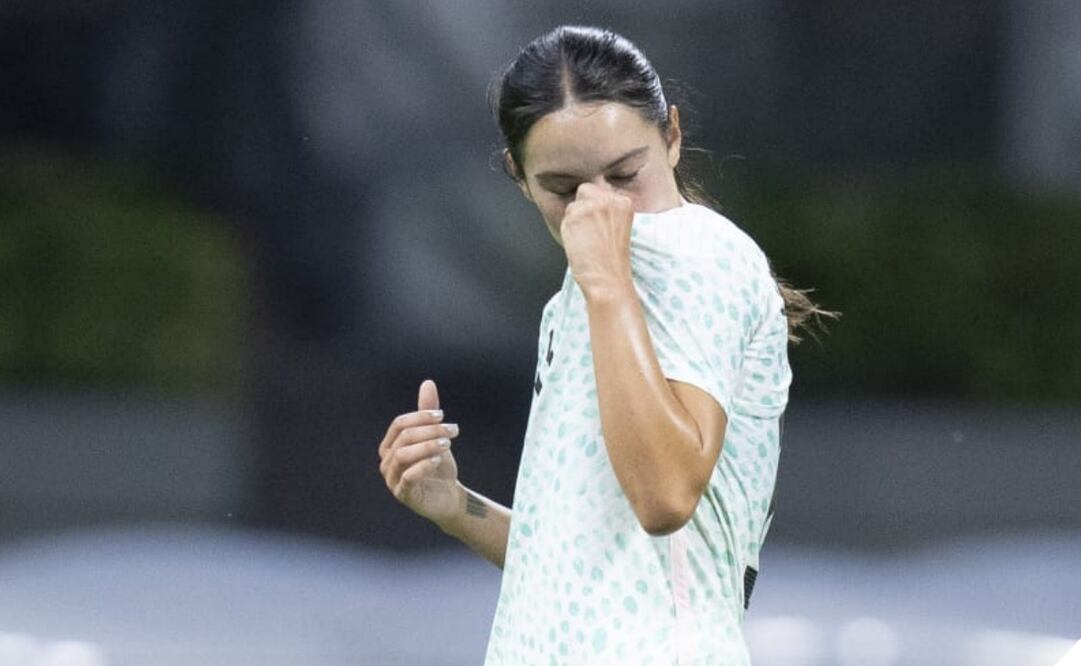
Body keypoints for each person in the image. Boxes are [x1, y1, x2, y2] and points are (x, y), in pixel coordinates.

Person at [377, 25, 830, 665]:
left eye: (624, 174)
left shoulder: (700, 253)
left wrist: (609, 284)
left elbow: (665, 496)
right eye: (564, 189)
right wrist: (457, 507)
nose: (599, 208)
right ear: (519, 177)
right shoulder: (574, 301)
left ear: (672, 137)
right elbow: (579, 570)